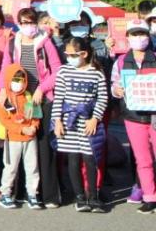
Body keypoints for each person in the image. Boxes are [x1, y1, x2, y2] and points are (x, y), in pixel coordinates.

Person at [0, 6, 62, 208]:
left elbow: (57, 70)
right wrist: (3, 89)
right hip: (20, 99)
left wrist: (42, 89)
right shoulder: (12, 43)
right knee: (20, 145)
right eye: (24, 22)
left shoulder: (45, 42)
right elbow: (5, 69)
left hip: (42, 100)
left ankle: (48, 195)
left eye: (31, 22)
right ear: (19, 23)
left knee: (43, 147)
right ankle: (17, 193)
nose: (28, 26)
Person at [52, 37, 109, 213]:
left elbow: (102, 97)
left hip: (87, 120)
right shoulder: (63, 71)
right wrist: (57, 120)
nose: (69, 58)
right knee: (73, 159)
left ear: (84, 54)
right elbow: (58, 98)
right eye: (67, 55)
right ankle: (80, 197)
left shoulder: (96, 72)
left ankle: (93, 195)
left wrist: (95, 118)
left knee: (90, 158)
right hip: (69, 120)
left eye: (73, 55)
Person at [112, 18, 156, 213]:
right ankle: (150, 197)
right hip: (133, 117)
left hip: (154, 115)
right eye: (135, 34)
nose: (139, 38)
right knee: (143, 159)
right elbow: (114, 85)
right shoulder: (121, 61)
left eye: (142, 34)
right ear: (128, 37)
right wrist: (117, 90)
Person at [0, 63, 42, 209]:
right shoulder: (4, 100)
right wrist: (22, 129)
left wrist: (34, 127)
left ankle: (32, 194)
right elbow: (5, 121)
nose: (18, 83)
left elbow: (36, 115)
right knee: (10, 168)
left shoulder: (29, 96)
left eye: (21, 79)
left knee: (32, 167)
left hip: (30, 138)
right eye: (15, 79)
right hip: (13, 139)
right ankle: (5, 194)